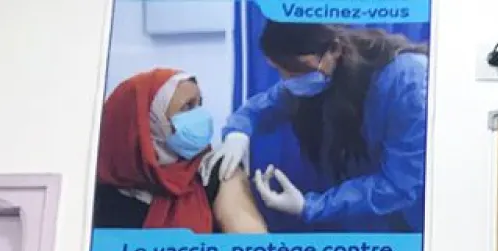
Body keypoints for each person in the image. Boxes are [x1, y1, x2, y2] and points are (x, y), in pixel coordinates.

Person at [216, 22, 427, 232]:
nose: (288, 81)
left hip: (424, 222)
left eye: (297, 68)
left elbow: (401, 185)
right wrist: (237, 133)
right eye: (281, 70)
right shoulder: (315, 74)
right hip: (375, 227)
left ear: (334, 50)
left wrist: (310, 207)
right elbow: (259, 109)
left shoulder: (408, 80)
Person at [93, 69, 266, 233]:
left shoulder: (217, 171)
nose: (200, 115)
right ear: (146, 121)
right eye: (187, 107)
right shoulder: (94, 191)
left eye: (199, 104)